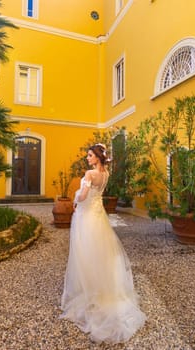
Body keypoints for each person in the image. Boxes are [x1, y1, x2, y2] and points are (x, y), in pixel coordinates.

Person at [60, 143, 146, 344]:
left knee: (85, 254)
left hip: (86, 217)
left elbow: (82, 196)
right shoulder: (105, 174)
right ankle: (100, 288)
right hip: (99, 218)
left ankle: (89, 291)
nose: (87, 158)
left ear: (97, 157)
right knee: (100, 253)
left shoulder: (90, 174)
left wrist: (74, 199)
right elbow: (96, 195)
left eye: (90, 155)